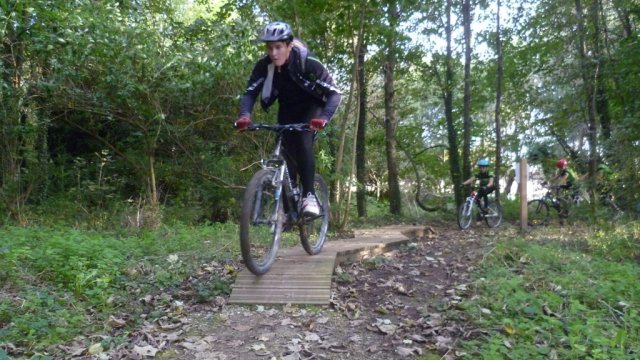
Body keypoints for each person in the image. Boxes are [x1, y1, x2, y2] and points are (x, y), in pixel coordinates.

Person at [234, 21, 341, 217]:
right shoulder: (264, 66)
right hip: (287, 109)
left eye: (278, 47)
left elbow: (335, 94)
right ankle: (289, 212)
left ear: (289, 45)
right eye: (269, 48)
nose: (273, 53)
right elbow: (250, 93)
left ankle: (309, 196)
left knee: (302, 140)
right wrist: (244, 116)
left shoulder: (308, 63)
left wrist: (323, 118)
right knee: (284, 152)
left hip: (312, 108)